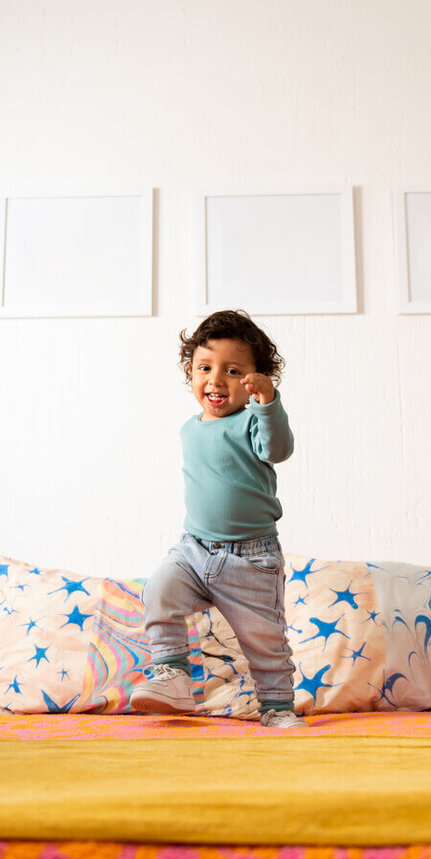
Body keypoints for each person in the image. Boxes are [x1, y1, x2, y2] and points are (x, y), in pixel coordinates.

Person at [130, 308, 306, 729]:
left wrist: (269, 404)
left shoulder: (252, 421)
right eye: (205, 368)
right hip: (194, 547)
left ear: (256, 380)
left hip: (251, 558)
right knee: (159, 589)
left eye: (233, 371)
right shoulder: (189, 428)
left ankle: (278, 707)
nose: (216, 380)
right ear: (190, 373)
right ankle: (171, 674)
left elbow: (278, 449)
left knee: (265, 640)